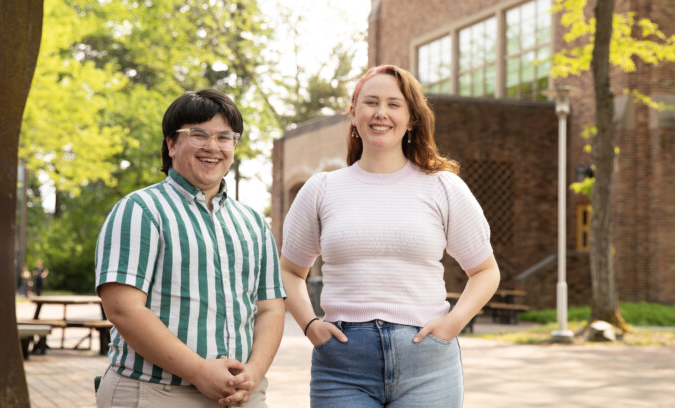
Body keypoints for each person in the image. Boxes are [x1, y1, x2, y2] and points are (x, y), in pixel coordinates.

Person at [281, 65, 501, 407]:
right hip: (342, 367)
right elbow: (290, 271)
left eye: (394, 104)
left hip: (428, 364)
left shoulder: (443, 187)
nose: (381, 113)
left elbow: (486, 271)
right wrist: (310, 325)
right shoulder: (322, 189)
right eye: (370, 102)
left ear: (412, 119)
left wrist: (451, 326)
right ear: (353, 115)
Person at [94, 90, 287, 408]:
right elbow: (123, 309)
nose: (213, 147)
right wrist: (199, 371)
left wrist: (254, 372)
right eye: (198, 135)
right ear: (171, 144)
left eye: (225, 137)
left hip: (241, 397)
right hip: (155, 394)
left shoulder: (253, 222)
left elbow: (270, 308)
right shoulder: (141, 210)